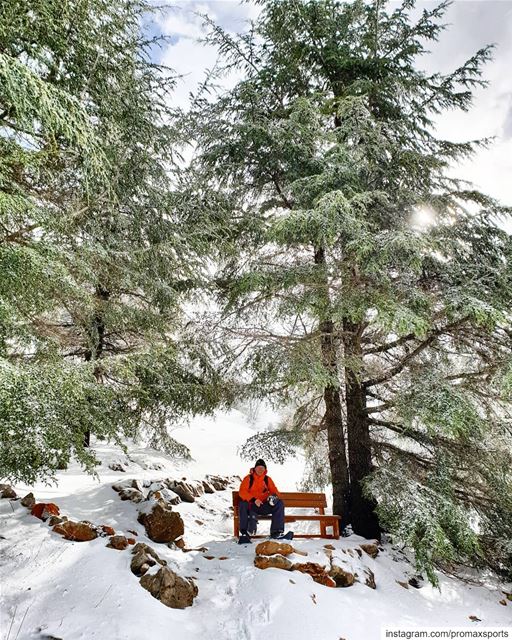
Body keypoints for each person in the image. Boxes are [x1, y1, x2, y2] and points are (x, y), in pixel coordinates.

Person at [237, 458, 290, 544]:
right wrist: (254, 500)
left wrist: (273, 497)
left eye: (262, 468)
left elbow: (276, 491)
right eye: (258, 468)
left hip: (264, 506)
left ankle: (276, 532)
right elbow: (242, 492)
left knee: (279, 503)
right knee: (242, 504)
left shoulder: (267, 479)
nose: (260, 470)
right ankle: (244, 533)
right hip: (252, 506)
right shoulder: (248, 479)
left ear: (265, 469)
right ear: (255, 468)